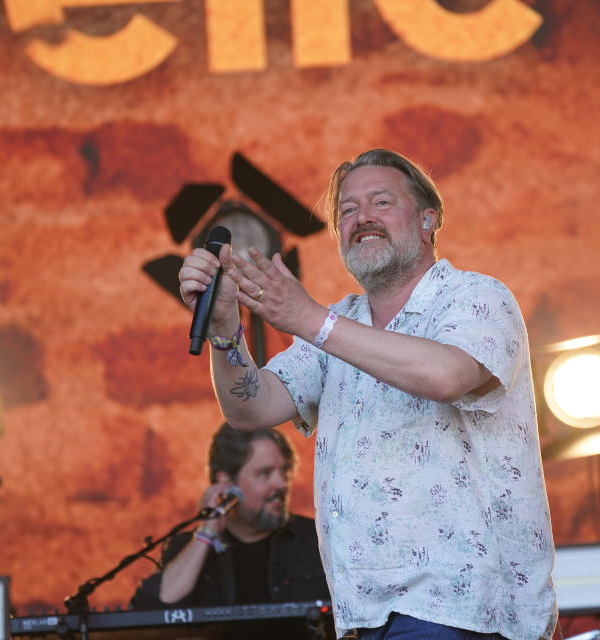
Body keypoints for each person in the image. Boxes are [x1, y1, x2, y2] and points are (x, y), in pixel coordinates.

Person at [177, 149, 557, 640]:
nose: (363, 219)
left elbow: (447, 375)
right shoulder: (340, 322)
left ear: (428, 219)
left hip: (463, 613)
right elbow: (252, 407)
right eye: (348, 211)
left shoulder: (475, 297)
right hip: (362, 615)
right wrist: (225, 330)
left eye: (381, 202)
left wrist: (310, 319)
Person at [130, 423, 330, 613]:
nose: (281, 484)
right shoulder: (186, 547)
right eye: (264, 473)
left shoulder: (318, 540)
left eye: (284, 471)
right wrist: (206, 535)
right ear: (226, 483)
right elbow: (151, 611)